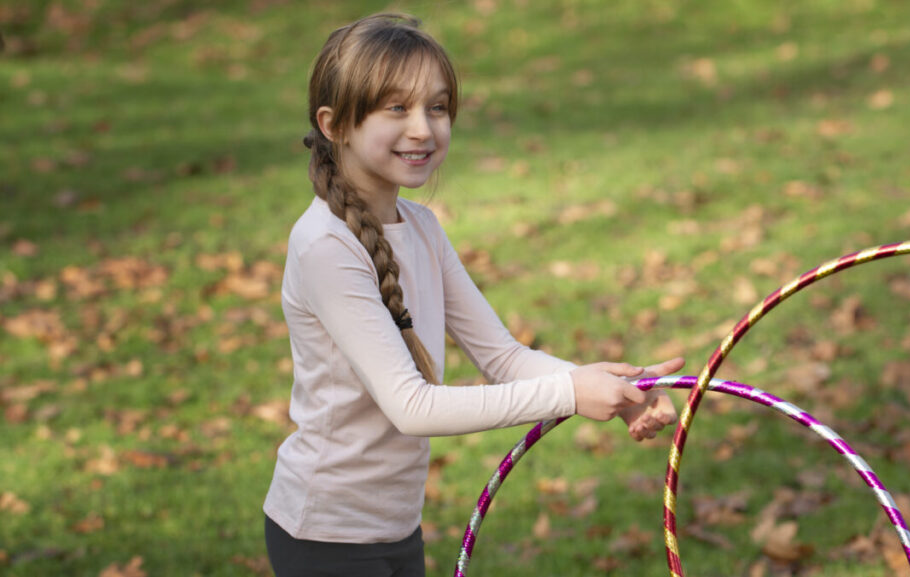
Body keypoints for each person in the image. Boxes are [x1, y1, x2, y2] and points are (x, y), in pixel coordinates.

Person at [262, 13, 683, 576]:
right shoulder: (325, 246)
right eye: (396, 108)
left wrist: (618, 391)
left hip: (394, 527)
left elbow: (503, 357)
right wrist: (568, 394)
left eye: (437, 107)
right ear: (335, 124)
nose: (423, 129)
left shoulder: (422, 229)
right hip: (324, 536)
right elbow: (412, 407)